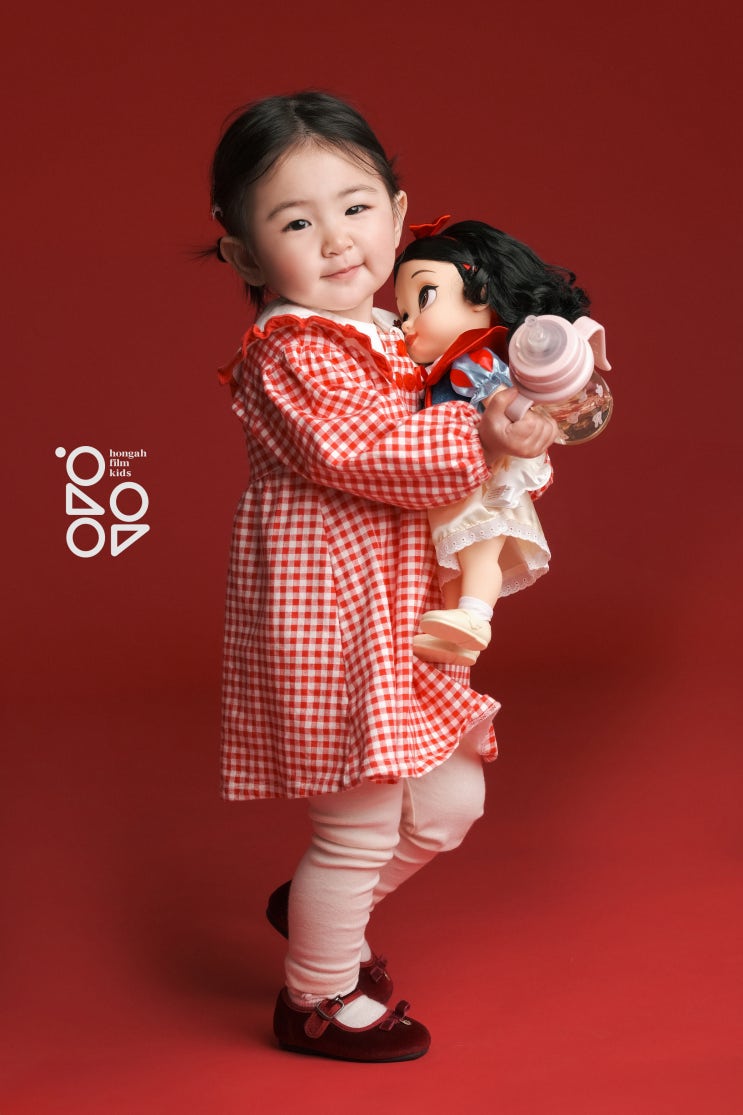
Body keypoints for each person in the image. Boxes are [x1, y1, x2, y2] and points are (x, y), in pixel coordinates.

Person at [208, 91, 557, 1062]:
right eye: (294, 222)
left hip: (398, 616)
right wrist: (477, 436)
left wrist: (516, 420)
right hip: (330, 623)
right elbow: (357, 451)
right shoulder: (288, 351)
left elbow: (469, 433)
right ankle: (315, 993)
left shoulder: (396, 332)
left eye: (356, 207)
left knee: (448, 805)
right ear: (244, 256)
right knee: (357, 826)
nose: (335, 239)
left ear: (398, 214)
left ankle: (319, 907)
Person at [394, 219, 590, 666]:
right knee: (454, 556)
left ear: (481, 293)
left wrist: (516, 415)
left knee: (478, 547)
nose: (407, 325)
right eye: (402, 313)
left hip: (482, 480)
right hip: (455, 480)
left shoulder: (473, 358)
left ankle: (476, 617)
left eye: (423, 298)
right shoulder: (435, 369)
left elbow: (498, 397)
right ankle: (457, 635)